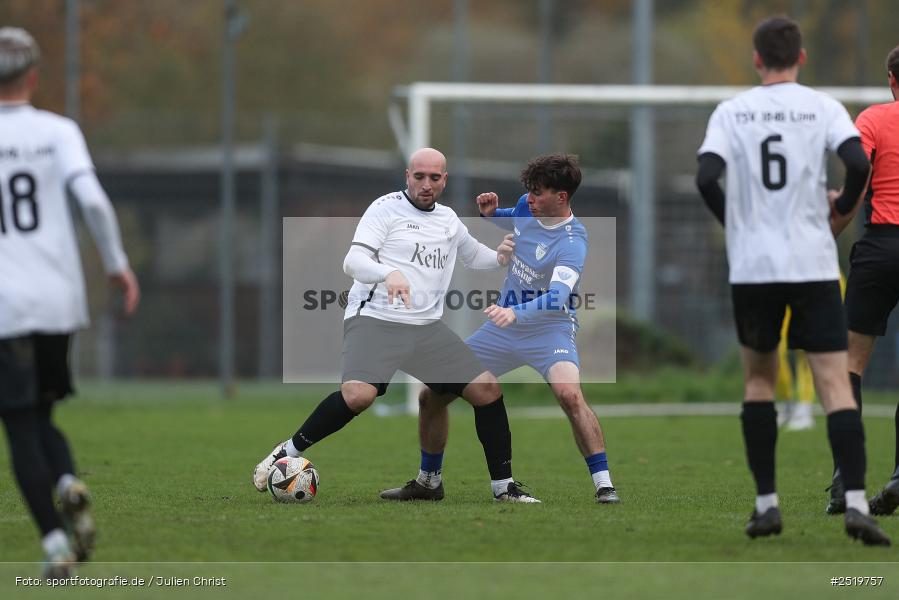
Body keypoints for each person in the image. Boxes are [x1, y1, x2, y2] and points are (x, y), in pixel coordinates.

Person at [695, 16, 889, 545]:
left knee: (759, 382)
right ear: (801, 58)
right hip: (812, 262)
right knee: (834, 382)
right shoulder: (824, 106)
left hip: (755, 267)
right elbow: (855, 162)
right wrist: (843, 209)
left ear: (757, 59)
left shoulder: (732, 111)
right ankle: (854, 503)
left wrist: (737, 223)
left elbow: (706, 177)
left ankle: (766, 506)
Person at [253, 147, 540, 503]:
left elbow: (471, 254)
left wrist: (498, 256)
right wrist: (388, 272)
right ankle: (287, 452)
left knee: (487, 391)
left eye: (434, 177)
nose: (426, 184)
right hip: (375, 321)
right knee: (358, 396)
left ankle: (496, 488)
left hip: (425, 328)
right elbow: (353, 260)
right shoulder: (384, 208)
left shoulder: (449, 219)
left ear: (444, 180)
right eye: (419, 176)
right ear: (408, 176)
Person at [379, 154, 619, 504]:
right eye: (529, 192)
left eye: (538, 193)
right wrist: (492, 215)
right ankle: (429, 482)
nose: (529, 199)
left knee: (569, 395)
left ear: (562, 197)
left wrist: (517, 314)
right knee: (432, 395)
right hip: (502, 331)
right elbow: (516, 220)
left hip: (549, 330)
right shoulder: (527, 206)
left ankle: (604, 485)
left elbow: (558, 296)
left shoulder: (572, 242)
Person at [0, 28, 141, 577]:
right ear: (33, 76)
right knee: (42, 412)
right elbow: (94, 203)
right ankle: (66, 481)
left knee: (18, 424)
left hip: (5, 308)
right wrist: (116, 264)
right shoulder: (58, 132)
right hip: (57, 301)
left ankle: (56, 545)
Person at [827, 44, 899, 517]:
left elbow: (857, 174)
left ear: (892, 78)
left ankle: (846, 478)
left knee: (850, 363)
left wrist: (829, 227)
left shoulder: (873, 119)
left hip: (882, 248)